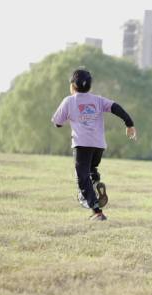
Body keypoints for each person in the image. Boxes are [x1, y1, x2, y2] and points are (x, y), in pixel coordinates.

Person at [51, 68, 137, 221]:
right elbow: (116, 107)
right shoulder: (98, 100)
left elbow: (57, 123)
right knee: (91, 169)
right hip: (98, 145)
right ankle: (96, 182)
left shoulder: (69, 101)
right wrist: (129, 124)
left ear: (72, 85)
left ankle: (97, 212)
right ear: (90, 86)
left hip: (81, 145)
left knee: (82, 178)